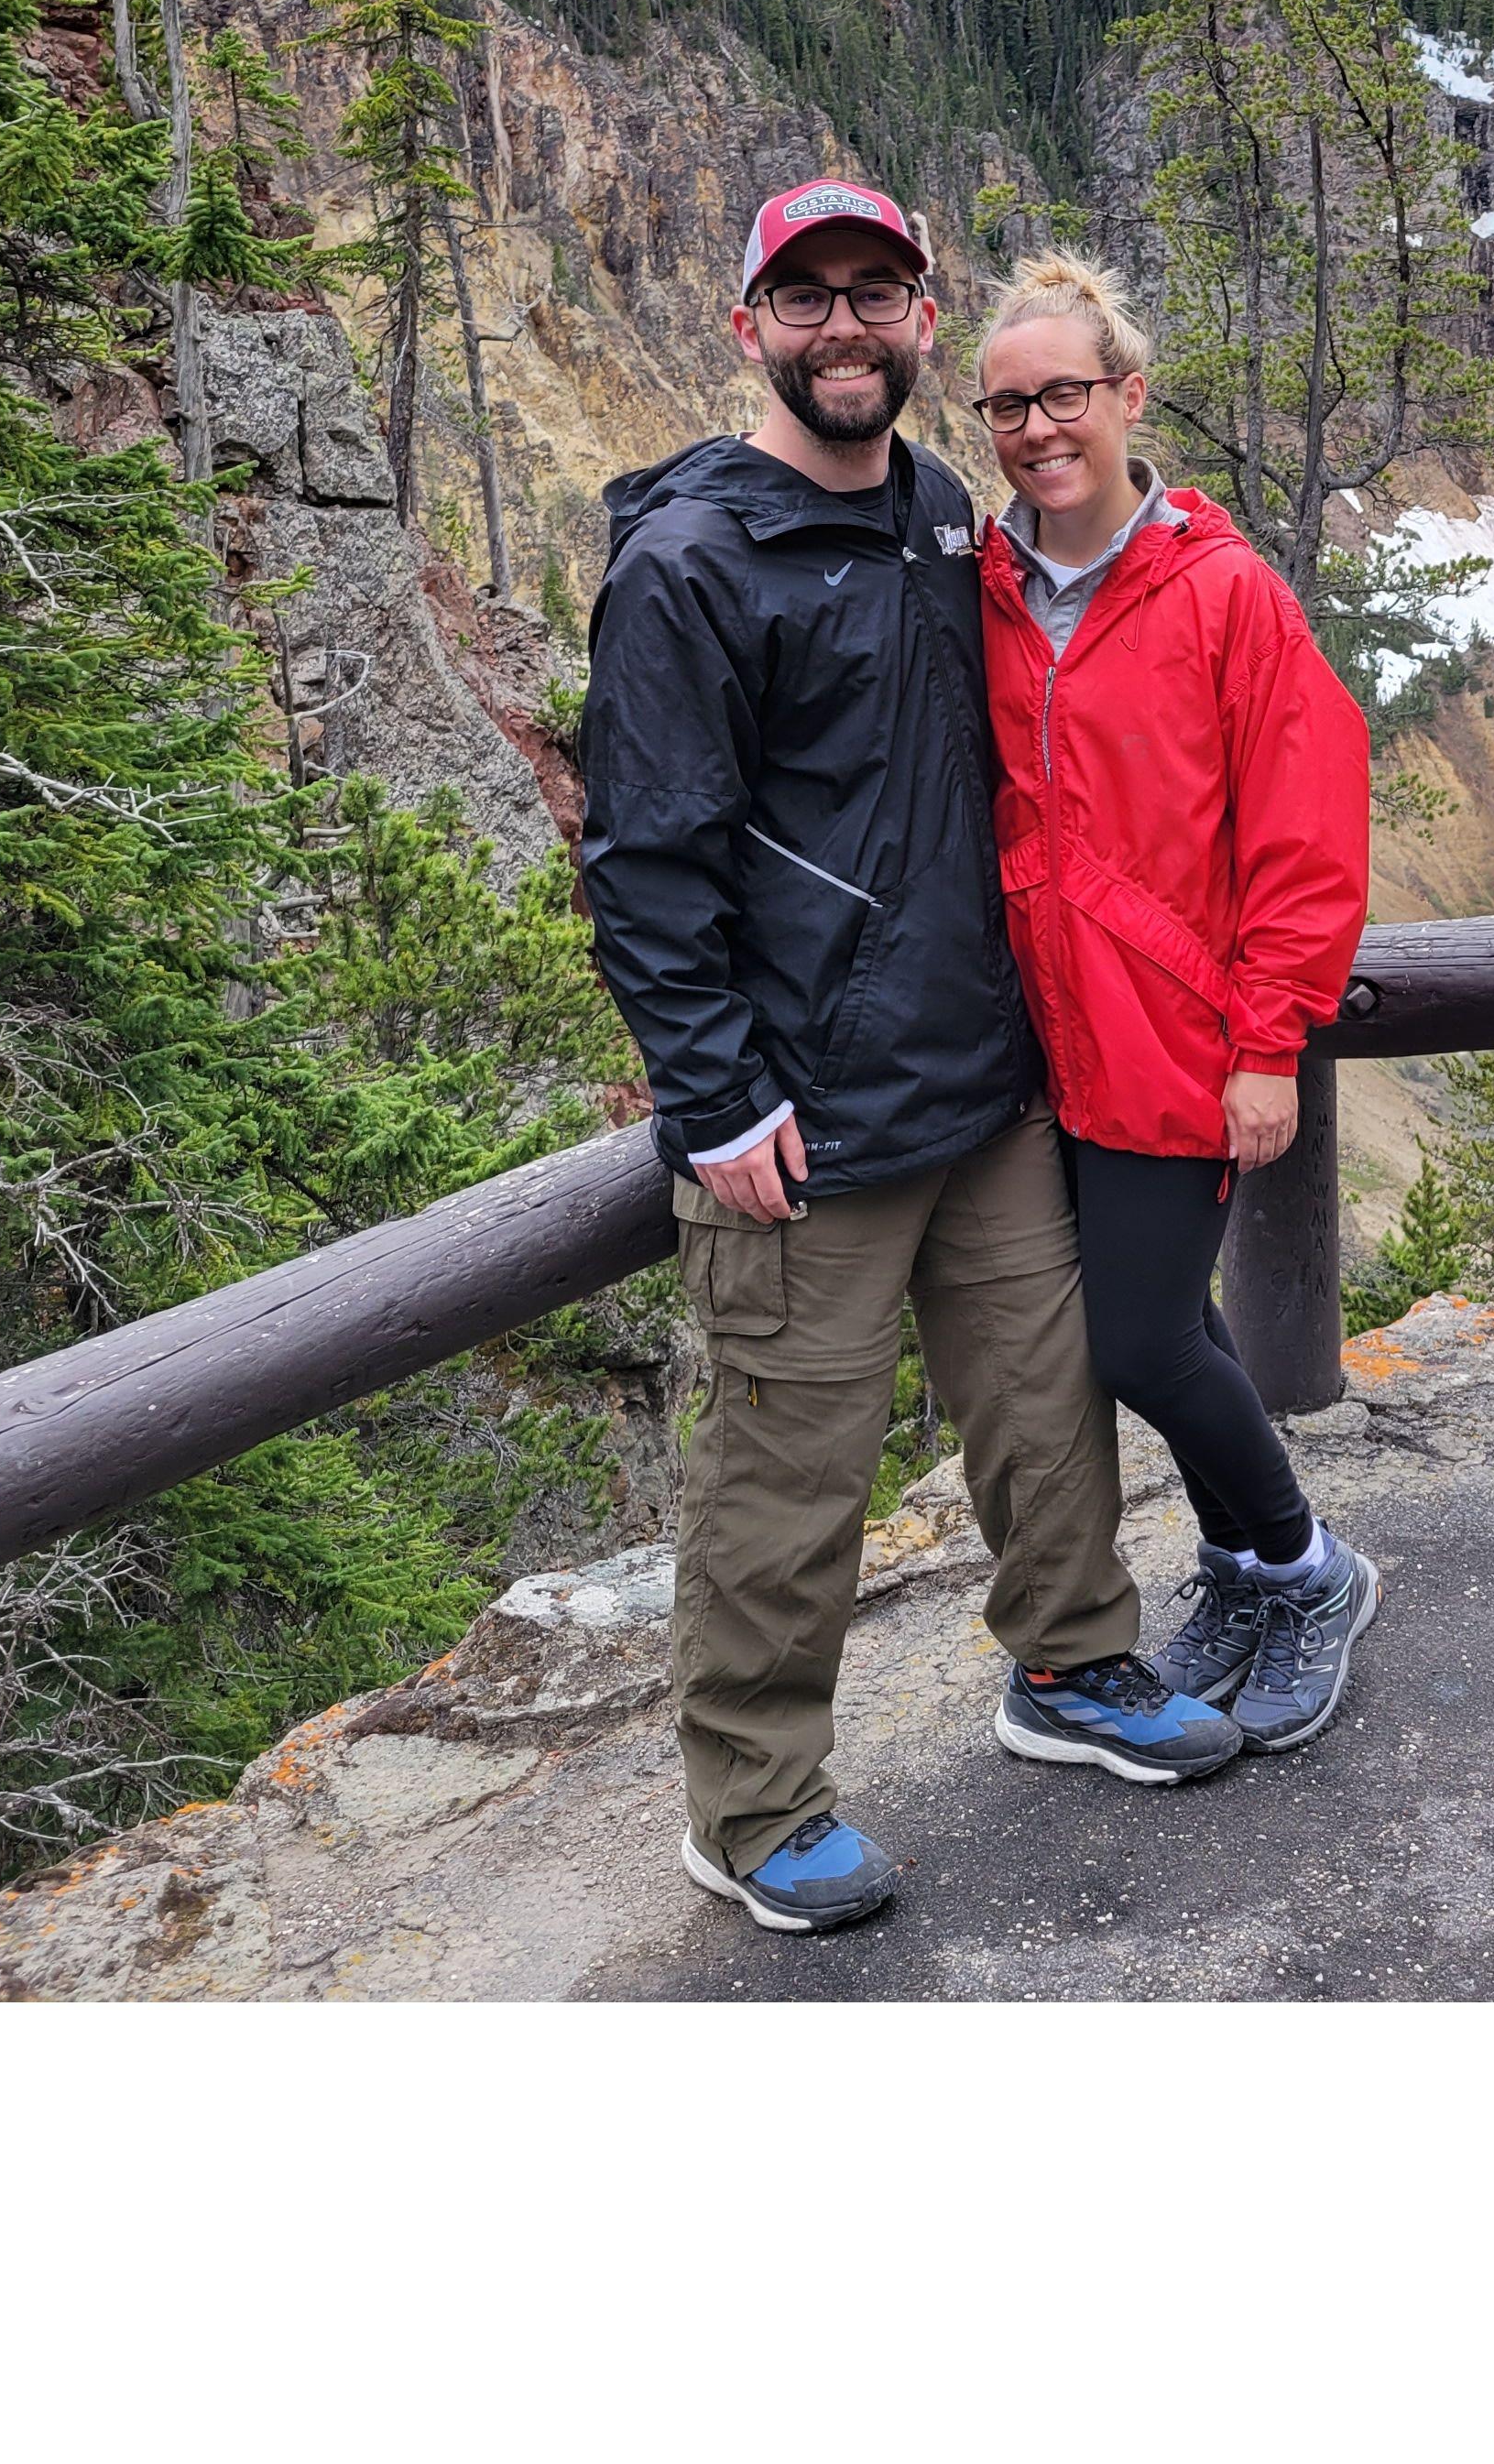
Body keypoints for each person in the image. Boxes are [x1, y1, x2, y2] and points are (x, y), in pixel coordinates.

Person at [580, 174, 1240, 1943]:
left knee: (1045, 1408)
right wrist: (715, 1099)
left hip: (980, 1084)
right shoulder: (690, 566)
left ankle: (1075, 1667)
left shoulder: (940, 513)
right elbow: (645, 864)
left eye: (878, 294)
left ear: (923, 323)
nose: (846, 327)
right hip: (799, 1118)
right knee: (790, 1478)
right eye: (808, 301)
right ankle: (755, 1802)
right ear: (750, 331)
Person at [971, 250, 1384, 1750]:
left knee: (1139, 1340)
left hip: (1175, 1040)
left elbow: (1306, 828)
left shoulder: (1224, 595)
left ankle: (1312, 1568)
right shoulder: (990, 590)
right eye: (1007, 405)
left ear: (1129, 398)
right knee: (1165, 1323)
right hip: (1049, 1042)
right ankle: (1241, 1563)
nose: (1036, 428)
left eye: (1064, 394)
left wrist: (1268, 1040)